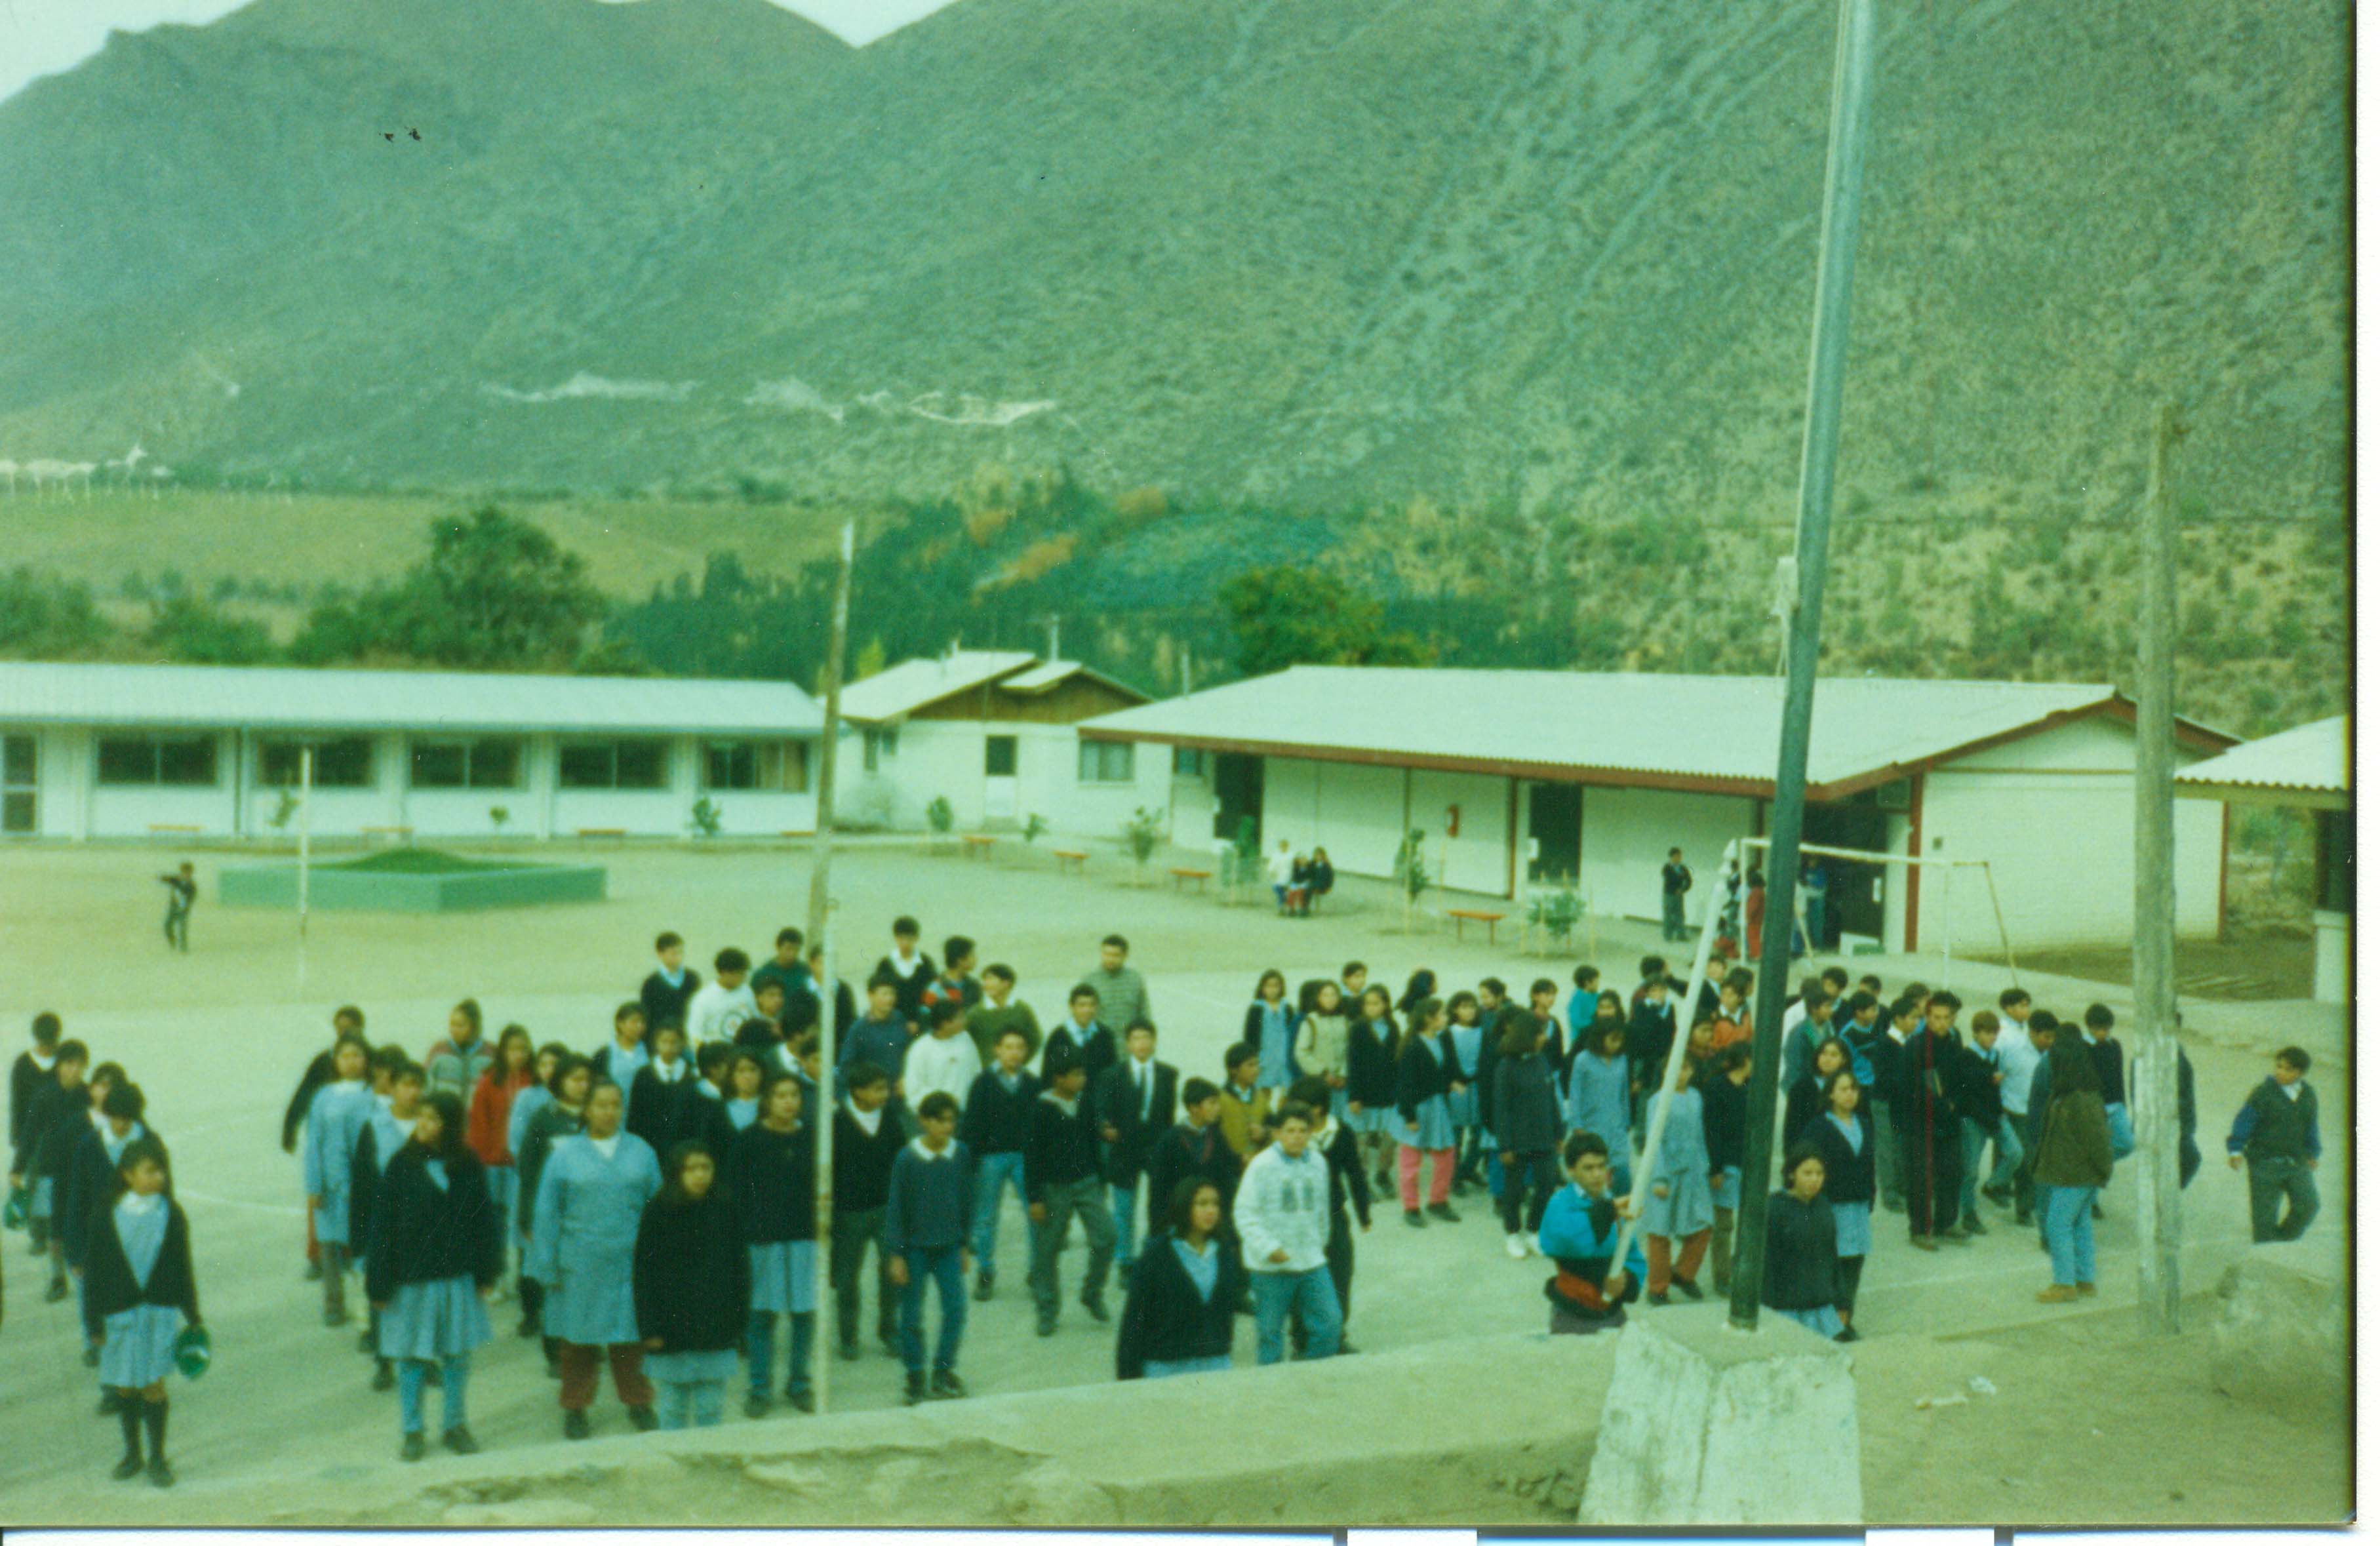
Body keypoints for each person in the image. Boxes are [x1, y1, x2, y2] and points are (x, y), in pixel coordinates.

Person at [526, 1079, 663, 1439]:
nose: (609, 1112)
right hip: (581, 1263)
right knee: (578, 1341)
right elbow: (547, 1213)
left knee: (629, 1338)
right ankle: (576, 1408)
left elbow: (659, 1209)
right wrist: (547, 1265)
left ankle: (638, 1401)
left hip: (629, 1262)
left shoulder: (641, 1152)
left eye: (616, 1104)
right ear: (587, 1109)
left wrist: (660, 1260)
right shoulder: (565, 1155)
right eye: (601, 1105)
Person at [367, 1090, 498, 1459]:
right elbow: (382, 1227)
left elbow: (484, 1220)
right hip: (412, 1280)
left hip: (456, 1277)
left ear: (450, 1125)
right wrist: (378, 1283)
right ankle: (412, 1430)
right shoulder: (401, 1165)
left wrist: (486, 1271)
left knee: (456, 1356)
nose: (423, 1125)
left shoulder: (467, 1163)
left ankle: (455, 1425)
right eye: (421, 1117)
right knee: (411, 1358)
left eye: (433, 1119)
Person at [85, 1136, 197, 1488]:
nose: (158, 1177)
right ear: (128, 1175)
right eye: (149, 1171)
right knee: (125, 1387)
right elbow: (94, 1273)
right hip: (120, 1315)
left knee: (153, 1385)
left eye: (161, 1170)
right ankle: (132, 1453)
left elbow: (183, 1267)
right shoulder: (106, 1215)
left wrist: (193, 1316)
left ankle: (158, 1457)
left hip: (157, 1313)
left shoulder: (172, 1213)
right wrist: (93, 1322)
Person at [633, 1139, 750, 1429]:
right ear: (677, 1172)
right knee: (673, 1406)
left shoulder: (726, 1206)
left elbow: (740, 1267)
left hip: (716, 1323)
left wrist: (739, 1322)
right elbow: (644, 1273)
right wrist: (649, 1327)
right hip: (671, 1327)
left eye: (705, 1167)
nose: (700, 1175)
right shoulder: (658, 1211)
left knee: (711, 1406)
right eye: (691, 1169)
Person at [731, 1072, 817, 1416]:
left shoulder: (812, 1137)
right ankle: (760, 1388)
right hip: (763, 1241)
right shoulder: (749, 1139)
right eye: (781, 1095)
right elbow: (737, 1192)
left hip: (804, 1239)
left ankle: (799, 1383)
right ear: (767, 1100)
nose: (789, 1102)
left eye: (794, 1095)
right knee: (762, 1317)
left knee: (803, 1315)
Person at [884, 1091, 975, 1404]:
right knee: (911, 1316)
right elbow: (896, 1207)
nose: (947, 1127)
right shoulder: (907, 1158)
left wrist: (965, 1244)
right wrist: (896, 1254)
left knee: (956, 1309)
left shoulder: (960, 1153)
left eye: (951, 1121)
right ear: (924, 1121)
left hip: (949, 1247)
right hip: (915, 1250)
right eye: (940, 1121)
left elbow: (966, 1200)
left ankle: (943, 1371)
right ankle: (914, 1376)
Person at [1233, 1101, 1339, 1364]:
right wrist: (1269, 1248)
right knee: (1270, 1335)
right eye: (1290, 1131)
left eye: (1303, 1131)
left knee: (1330, 1323)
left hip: (1311, 1261)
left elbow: (1322, 1209)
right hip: (1272, 1266)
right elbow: (1244, 1213)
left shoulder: (1318, 1163)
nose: (1297, 1137)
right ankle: (1272, 1383)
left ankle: (1310, 1372)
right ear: (1277, 1133)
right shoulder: (1262, 1165)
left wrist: (1320, 1242)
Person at [1024, 1044, 1116, 1336]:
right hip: (1054, 1188)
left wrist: (1101, 1179)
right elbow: (1032, 1156)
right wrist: (1035, 1198)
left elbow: (1093, 1142)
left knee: (1106, 1238)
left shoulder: (1085, 1103)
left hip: (1087, 1183)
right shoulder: (1042, 1109)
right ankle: (1047, 1309)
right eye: (1076, 1075)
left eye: (1083, 1074)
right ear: (1058, 1078)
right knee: (1048, 1249)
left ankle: (1092, 1292)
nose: (1082, 1080)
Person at [1117, 1178, 1247, 1379]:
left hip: (1215, 1364)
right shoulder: (1157, 1255)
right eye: (1202, 1204)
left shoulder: (1224, 1253)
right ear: (1184, 1206)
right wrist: (1128, 1378)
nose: (1211, 1211)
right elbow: (1134, 1319)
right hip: (1166, 1367)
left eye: (1215, 1204)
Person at [353, 1058, 427, 1389]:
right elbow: (362, 1186)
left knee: (422, 1296)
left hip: (423, 1226)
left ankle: (423, 1359)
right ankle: (384, 1362)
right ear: (392, 1088)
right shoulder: (374, 1127)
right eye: (407, 1085)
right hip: (385, 1226)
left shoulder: (430, 1125)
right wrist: (359, 1241)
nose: (414, 1092)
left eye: (418, 1085)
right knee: (382, 1293)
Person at [1284, 1075, 1369, 1353]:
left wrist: (1363, 1213)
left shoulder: (1341, 1133)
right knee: (1301, 1275)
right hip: (1300, 1217)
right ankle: (1301, 1337)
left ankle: (1336, 1334)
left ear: (1317, 1109)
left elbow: (1355, 1173)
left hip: (1334, 1215)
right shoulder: (1293, 1136)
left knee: (1340, 1273)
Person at [513, 1054, 589, 1355]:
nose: (583, 1086)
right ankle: (554, 1350)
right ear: (559, 1082)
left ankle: (585, 1344)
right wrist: (527, 1218)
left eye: (587, 1080)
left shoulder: (595, 1115)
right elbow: (528, 1171)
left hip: (586, 1214)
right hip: (551, 1214)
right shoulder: (544, 1118)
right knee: (554, 1284)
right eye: (575, 1079)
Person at [829, 1062, 905, 1359]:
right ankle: (848, 1337)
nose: (884, 1094)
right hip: (849, 1213)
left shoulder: (889, 1118)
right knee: (848, 1278)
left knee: (891, 1272)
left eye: (885, 1088)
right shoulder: (837, 1122)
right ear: (858, 1092)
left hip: (885, 1209)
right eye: (877, 1089)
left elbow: (901, 1159)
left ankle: (889, 1331)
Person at [959, 1027, 1039, 1302]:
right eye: (1009, 1047)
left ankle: (1036, 1270)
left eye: (1019, 1047)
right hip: (990, 1158)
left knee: (1035, 1212)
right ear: (997, 1050)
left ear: (1025, 1051)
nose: (1014, 1053)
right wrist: (970, 1160)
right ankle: (985, 1270)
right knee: (986, 1216)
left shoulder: (1032, 1083)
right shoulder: (983, 1082)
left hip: (1024, 1157)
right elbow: (972, 1123)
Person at [300, 1037, 375, 1326]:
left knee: (365, 1244)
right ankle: (333, 1303)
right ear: (336, 1061)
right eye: (345, 1056)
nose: (351, 1061)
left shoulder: (373, 1095)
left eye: (357, 1055)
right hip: (330, 1187)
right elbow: (313, 1143)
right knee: (329, 1245)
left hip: (364, 1185)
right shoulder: (323, 1097)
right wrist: (314, 1185)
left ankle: (369, 1304)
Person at [1537, 1133, 1645, 1335]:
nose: (1597, 1174)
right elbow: (1563, 1240)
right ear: (1571, 1170)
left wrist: (1626, 1281)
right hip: (1572, 1314)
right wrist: (1607, 1211)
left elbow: (1632, 1255)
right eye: (1588, 1168)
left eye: (1601, 1166)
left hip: (1612, 1312)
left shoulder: (1612, 1203)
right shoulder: (1561, 1203)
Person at [2033, 1038, 2114, 1302]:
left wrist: (2103, 1172)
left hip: (2074, 1175)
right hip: (2075, 1174)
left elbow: (2098, 1141)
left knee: (2057, 1225)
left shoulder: (2078, 1098)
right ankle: (2084, 1279)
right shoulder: (2077, 1093)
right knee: (2080, 1225)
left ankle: (2064, 1283)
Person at [1094, 1021, 1178, 1269]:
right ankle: (1125, 1260)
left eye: (1146, 1038)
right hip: (1124, 1148)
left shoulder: (1167, 1074)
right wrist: (1105, 1126)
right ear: (1128, 1044)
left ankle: (1154, 1254)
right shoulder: (1112, 1075)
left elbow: (1168, 1115)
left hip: (1155, 1146)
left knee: (1160, 1203)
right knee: (1124, 1208)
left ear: (1154, 1041)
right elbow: (1101, 1109)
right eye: (1136, 1038)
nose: (1141, 1044)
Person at [1800, 1068, 1873, 1341]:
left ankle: (1844, 1320)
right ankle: (1827, 1322)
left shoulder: (1864, 1123)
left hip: (1858, 1207)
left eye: (1853, 1089)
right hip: (1832, 1206)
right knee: (1831, 1264)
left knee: (1854, 1263)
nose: (1850, 1094)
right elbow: (1805, 1164)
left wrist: (1871, 1196)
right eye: (1843, 1089)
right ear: (1830, 1093)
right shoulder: (1819, 1127)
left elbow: (1869, 1163)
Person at [466, 1025, 538, 1298]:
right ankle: (497, 1276)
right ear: (503, 1051)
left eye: (523, 1049)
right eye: (513, 1049)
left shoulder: (533, 1081)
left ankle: (522, 1276)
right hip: (493, 1163)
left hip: (522, 1164)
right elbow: (478, 1124)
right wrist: (482, 1158)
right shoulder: (489, 1081)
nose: (519, 1054)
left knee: (521, 1219)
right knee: (495, 1221)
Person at [1638, 1059, 1714, 1305]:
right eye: (1676, 1068)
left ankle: (1683, 1274)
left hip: (1694, 1173)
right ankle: (1657, 1288)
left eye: (1686, 1068)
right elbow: (1654, 1141)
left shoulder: (1695, 1097)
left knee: (1704, 1224)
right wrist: (1658, 1178)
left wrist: (1704, 1167)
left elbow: (1699, 1135)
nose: (1682, 1073)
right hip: (1666, 1173)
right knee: (1660, 1231)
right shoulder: (1657, 1100)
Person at [2227, 1045, 2320, 1242]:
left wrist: (2313, 1152)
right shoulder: (2263, 1093)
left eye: (2288, 1069)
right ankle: (2267, 1244)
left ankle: (2283, 1240)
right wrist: (2235, 1150)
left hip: (2296, 1163)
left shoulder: (2308, 1095)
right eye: (2279, 1066)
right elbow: (2244, 1121)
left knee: (2309, 1205)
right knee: (2264, 1223)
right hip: (2264, 1165)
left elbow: (2311, 1126)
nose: (2280, 1072)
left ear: (2300, 1073)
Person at [1493, 1010, 1563, 1259]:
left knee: (1547, 1184)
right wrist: (1505, 1146)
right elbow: (1501, 1109)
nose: (1545, 1038)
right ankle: (1512, 1233)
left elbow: (1551, 1099)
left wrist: (1559, 1132)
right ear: (1527, 1036)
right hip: (1518, 1141)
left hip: (1544, 1137)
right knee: (1515, 1190)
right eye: (1539, 1034)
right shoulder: (1506, 1067)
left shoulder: (1542, 1061)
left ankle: (1534, 1231)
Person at [1902, 992, 1968, 1250]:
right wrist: (1941, 1105)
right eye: (1936, 1018)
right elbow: (1912, 1087)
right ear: (1927, 1018)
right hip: (1921, 1122)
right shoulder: (1916, 1046)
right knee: (1921, 1178)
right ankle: (1919, 1229)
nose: (1941, 1023)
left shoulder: (1954, 1041)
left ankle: (1946, 1223)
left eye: (1946, 1018)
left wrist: (1956, 1102)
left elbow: (1961, 1078)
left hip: (1949, 1121)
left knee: (1952, 1172)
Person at [1391, 997, 1461, 1225]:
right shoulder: (1412, 1046)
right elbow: (1405, 1084)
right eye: (1442, 1014)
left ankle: (1438, 1201)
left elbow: (1445, 1070)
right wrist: (1409, 1116)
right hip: (1416, 1108)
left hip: (1437, 1107)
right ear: (1429, 1019)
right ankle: (1411, 1207)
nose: (1446, 1018)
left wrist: (1452, 1082)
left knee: (1446, 1155)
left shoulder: (1443, 1039)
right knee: (1411, 1161)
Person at [1143, 1077, 1240, 1240]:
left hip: (1210, 1221)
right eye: (1212, 1103)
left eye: (1218, 1103)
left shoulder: (1217, 1138)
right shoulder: (1170, 1140)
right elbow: (1158, 1189)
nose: (1218, 1108)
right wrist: (1159, 1228)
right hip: (1179, 1220)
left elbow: (1227, 1181)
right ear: (1194, 1107)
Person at [1762, 1145, 1843, 1339]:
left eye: (1819, 1173)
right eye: (1807, 1173)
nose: (1814, 1179)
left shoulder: (1823, 1206)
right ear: (1792, 1174)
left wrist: (1842, 1302)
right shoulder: (1775, 1209)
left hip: (1821, 1307)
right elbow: (1767, 1263)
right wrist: (1767, 1311)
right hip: (1787, 1309)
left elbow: (1831, 1256)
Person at [627, 1024, 732, 1164]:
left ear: (682, 1044)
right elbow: (635, 1115)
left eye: (674, 1042)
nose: (669, 1047)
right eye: (664, 1042)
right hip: (649, 1140)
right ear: (655, 1044)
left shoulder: (692, 1076)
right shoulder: (644, 1075)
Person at [1700, 1044, 1752, 1292]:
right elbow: (1712, 1129)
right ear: (1745, 1060)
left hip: (1746, 1162)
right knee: (1723, 1224)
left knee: (1744, 1223)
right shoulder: (1717, 1087)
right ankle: (1722, 1276)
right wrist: (1716, 1167)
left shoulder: (1750, 1087)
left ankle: (1739, 1270)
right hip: (1726, 1163)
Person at [11, 1012, 62, 1252]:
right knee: (35, 1184)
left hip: (59, 1133)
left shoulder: (64, 1060)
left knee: (58, 1183)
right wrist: (17, 1137)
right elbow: (17, 1103)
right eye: (44, 1042)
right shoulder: (23, 1064)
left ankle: (56, 1231)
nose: (48, 1046)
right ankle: (39, 1234)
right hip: (33, 1135)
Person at [1345, 986, 1401, 1200]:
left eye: (1376, 1003)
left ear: (1385, 1004)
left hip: (1388, 1095)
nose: (1371, 1008)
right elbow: (1353, 1063)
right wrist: (1354, 1096)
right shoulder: (1358, 1028)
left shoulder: (1393, 1027)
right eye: (1367, 1004)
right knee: (1362, 1141)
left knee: (1390, 1139)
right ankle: (1362, 1181)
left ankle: (1383, 1174)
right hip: (1364, 1095)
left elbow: (1397, 1060)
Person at [841, 974, 917, 1104]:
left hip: (899, 1095)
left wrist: (907, 1079)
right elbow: (846, 1066)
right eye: (884, 994)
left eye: (892, 994)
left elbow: (910, 1053)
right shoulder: (859, 1028)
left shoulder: (900, 1020)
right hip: (872, 1097)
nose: (889, 999)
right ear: (871, 996)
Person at [903, 999, 983, 1117]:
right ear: (945, 1023)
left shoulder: (966, 1038)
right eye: (960, 1018)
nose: (965, 1021)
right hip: (938, 1116)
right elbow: (913, 1089)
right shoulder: (921, 1049)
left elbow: (977, 1071)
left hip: (969, 1112)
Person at [1444, 991, 1489, 1194]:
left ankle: (1468, 1169)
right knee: (1456, 1134)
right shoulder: (1448, 1033)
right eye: (1464, 1007)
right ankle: (1454, 1177)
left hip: (1478, 1088)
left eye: (1472, 1007)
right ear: (1455, 1010)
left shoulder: (1483, 1032)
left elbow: (1487, 1059)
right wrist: (1454, 1080)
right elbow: (1446, 1062)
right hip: (1457, 1088)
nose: (1469, 1011)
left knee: (1479, 1133)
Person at [2082, 1004, 2135, 1166]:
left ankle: (2098, 1165)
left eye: (2106, 1029)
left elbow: (2119, 1076)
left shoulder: (2115, 1046)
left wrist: (2123, 1104)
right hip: (2095, 1107)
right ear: (2090, 1027)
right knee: (2094, 1144)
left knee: (2127, 1144)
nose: (2103, 1033)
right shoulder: (2082, 1047)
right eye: (2099, 1029)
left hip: (2116, 1105)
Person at [1292, 980, 1350, 1126]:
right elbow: (1301, 1052)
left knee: (1341, 1121)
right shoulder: (1310, 1021)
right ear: (1318, 998)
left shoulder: (1345, 1020)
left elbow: (1350, 1050)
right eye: (1325, 995)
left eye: (1333, 995)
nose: (1330, 999)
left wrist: (1343, 1074)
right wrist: (1323, 1073)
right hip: (1320, 1082)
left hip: (1342, 1084)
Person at [1041, 983, 1117, 1086]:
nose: (1087, 1010)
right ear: (1072, 1007)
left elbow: (1112, 1073)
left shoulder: (1105, 1036)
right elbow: (1048, 1074)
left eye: (1092, 1005)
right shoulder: (1058, 1037)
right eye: (1082, 1005)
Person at [964, 964, 1041, 1065]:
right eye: (985, 980)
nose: (986, 984)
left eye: (991, 979)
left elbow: (1035, 1039)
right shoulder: (976, 1013)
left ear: (1006, 983)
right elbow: (964, 1042)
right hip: (986, 1070)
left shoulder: (1022, 1010)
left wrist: (1019, 1061)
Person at [1783, 1036, 1855, 1142]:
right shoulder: (1801, 1087)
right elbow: (1792, 1129)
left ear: (1844, 1060)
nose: (1827, 1059)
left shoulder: (1852, 1088)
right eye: (1824, 1054)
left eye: (1834, 1055)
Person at [591, 1004, 652, 1127]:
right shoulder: (604, 1054)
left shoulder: (650, 1051)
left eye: (642, 1022)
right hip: (614, 1117)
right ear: (620, 1023)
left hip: (645, 1117)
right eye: (634, 1022)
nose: (639, 1027)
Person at [685, 949, 757, 1050]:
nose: (744, 978)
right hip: (717, 1053)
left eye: (745, 973)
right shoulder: (704, 998)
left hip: (743, 1051)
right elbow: (694, 1032)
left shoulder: (747, 992)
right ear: (725, 973)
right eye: (740, 973)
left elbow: (754, 1019)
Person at [639, 933, 701, 1044]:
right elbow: (648, 1016)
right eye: (674, 953)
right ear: (660, 955)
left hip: (688, 1037)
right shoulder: (650, 984)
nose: (679, 957)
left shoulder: (692, 979)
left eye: (681, 953)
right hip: (663, 1040)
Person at [1244, 970, 1299, 1094]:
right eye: (1269, 986)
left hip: (1284, 1058)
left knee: (1288, 1091)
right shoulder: (1257, 1008)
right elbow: (1250, 1035)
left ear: (1281, 988)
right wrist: (1252, 1058)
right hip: (1264, 1058)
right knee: (1263, 1091)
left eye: (1276, 986)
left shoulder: (1287, 1008)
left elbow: (1294, 1034)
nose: (1272, 990)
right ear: (1262, 988)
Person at [1216, 1044, 1273, 1162]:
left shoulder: (1261, 1097)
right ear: (1233, 1070)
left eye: (1257, 1064)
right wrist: (1237, 1159)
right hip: (1230, 1165)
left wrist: (1264, 1133)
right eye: (1250, 1065)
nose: (1256, 1070)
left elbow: (1276, 1127)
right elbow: (1212, 1138)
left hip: (1258, 1163)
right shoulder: (1219, 1099)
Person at [1084, 934, 1151, 1035]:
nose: (1110, 959)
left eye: (1115, 955)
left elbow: (1144, 1014)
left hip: (1128, 1041)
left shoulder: (1135, 980)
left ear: (1125, 956)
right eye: (1106, 954)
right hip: (1099, 1041)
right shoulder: (1090, 981)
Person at [874, 917, 937, 1020]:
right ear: (895, 938)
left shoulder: (926, 963)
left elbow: (933, 991)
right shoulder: (885, 965)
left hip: (922, 1019)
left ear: (916, 938)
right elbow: (879, 993)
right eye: (901, 938)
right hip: (892, 1019)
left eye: (909, 939)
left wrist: (918, 1019)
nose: (905, 943)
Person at [749, 928, 810, 1013]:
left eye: (796, 950)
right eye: (789, 949)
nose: (792, 954)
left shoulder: (805, 972)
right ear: (778, 948)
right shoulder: (763, 973)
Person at [920, 936, 982, 1016]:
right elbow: (925, 1016)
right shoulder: (935, 988)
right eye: (972, 955)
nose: (976, 959)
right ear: (960, 960)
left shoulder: (974, 986)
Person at [721, 1050, 768, 1131]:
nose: (747, 1076)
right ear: (732, 1076)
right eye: (741, 1071)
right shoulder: (721, 1109)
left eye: (753, 1070)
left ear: (762, 1074)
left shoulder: (771, 1106)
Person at [158, 862, 196, 953]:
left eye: (188, 873)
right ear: (181, 872)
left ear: (191, 873)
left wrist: (186, 907)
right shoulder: (176, 880)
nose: (186, 875)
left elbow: (192, 898)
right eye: (184, 872)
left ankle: (183, 948)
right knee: (167, 925)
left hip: (183, 909)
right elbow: (165, 879)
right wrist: (162, 877)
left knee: (182, 928)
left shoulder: (192, 885)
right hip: (173, 907)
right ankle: (172, 940)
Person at [1660, 846, 1692, 942]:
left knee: (1680, 916)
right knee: (1668, 915)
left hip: (1679, 895)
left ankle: (1681, 936)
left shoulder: (1683, 868)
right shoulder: (1666, 868)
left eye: (1680, 856)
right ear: (1671, 857)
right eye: (1676, 856)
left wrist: (1683, 889)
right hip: (1669, 895)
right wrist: (1680, 877)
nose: (1678, 858)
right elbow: (1671, 879)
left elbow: (1689, 880)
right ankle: (1668, 936)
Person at [1267, 839, 1299, 915]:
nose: (1283, 847)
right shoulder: (1276, 855)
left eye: (1285, 845)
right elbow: (1271, 867)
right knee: (1279, 891)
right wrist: (1272, 872)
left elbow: (1296, 866)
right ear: (1279, 846)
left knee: (1293, 891)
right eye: (1282, 846)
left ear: (1288, 846)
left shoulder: (1292, 855)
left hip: (1292, 880)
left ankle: (1291, 909)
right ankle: (1281, 908)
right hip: (1278, 879)